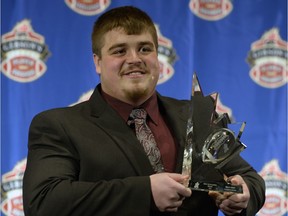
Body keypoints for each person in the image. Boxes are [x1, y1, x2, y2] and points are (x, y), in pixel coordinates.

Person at [23, 6, 265, 216]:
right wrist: (145, 192)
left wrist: (241, 194)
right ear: (97, 62)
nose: (134, 59)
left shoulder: (196, 115)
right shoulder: (58, 125)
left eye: (144, 49)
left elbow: (250, 179)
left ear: (157, 57)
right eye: (119, 51)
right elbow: (44, 201)